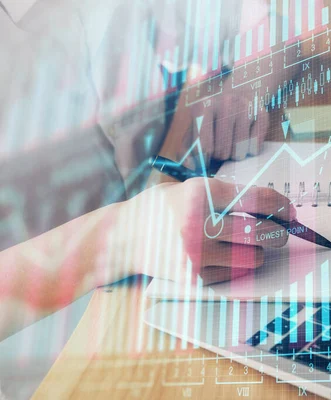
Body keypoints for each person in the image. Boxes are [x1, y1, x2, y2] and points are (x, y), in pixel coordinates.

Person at [0, 0, 299, 345]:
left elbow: (275, 29)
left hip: (184, 300)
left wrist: (246, 87)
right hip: (58, 359)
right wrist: (126, 237)